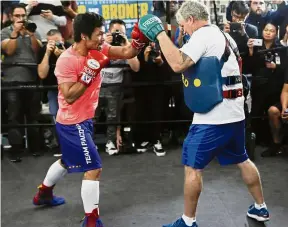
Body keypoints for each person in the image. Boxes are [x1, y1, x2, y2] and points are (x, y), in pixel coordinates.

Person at [138, 1, 269, 227]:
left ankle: (188, 222)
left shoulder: (203, 36)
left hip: (214, 116)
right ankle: (260, 207)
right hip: (234, 112)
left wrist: (160, 34)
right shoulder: (222, 35)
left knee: (192, 166)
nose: (184, 30)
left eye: (183, 25)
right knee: (242, 158)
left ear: (190, 20)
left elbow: (178, 64)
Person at [32, 12, 147, 227]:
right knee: (93, 167)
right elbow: (69, 95)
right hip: (71, 121)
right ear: (84, 36)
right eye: (98, 34)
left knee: (68, 160)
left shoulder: (99, 49)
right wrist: (89, 73)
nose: (102, 38)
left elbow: (126, 51)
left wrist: (139, 39)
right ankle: (91, 220)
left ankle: (44, 193)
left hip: (85, 119)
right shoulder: (66, 60)